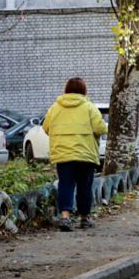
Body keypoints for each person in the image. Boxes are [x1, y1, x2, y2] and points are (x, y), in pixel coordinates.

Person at [42, 77, 107, 231]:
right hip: (85, 153)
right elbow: (101, 129)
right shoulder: (89, 107)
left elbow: (45, 128)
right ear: (84, 90)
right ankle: (84, 218)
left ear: (66, 89)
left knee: (66, 184)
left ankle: (65, 217)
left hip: (63, 154)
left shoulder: (55, 108)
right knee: (85, 186)